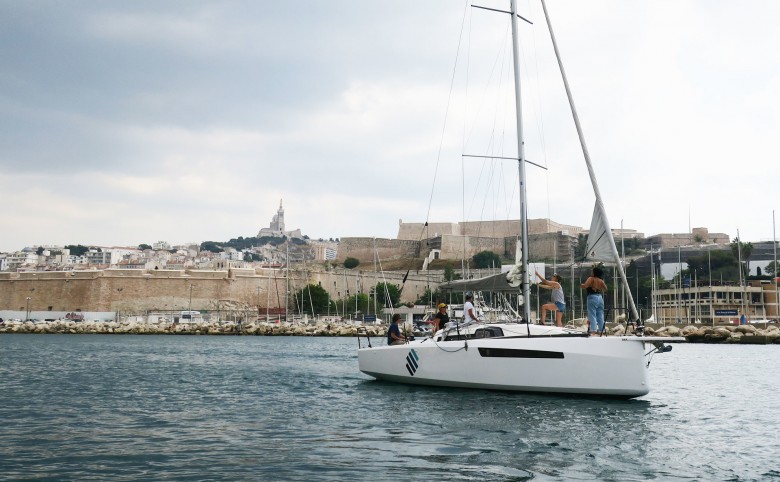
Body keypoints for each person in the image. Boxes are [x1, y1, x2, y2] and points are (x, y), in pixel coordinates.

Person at [581, 266, 608, 335]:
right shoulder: (601, 280)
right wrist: (598, 288)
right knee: (600, 314)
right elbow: (605, 288)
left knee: (592, 314)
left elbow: (585, 286)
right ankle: (601, 330)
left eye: (592, 271)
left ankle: (593, 329)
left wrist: (582, 285)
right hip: (600, 297)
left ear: (594, 273)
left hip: (592, 297)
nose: (591, 272)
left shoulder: (591, 278)